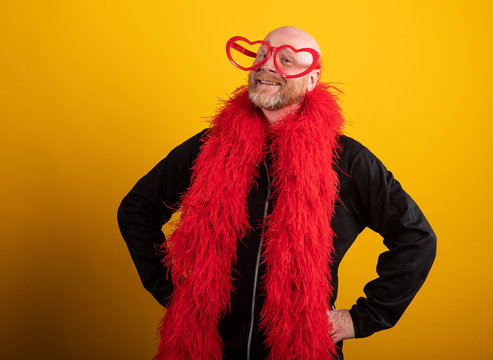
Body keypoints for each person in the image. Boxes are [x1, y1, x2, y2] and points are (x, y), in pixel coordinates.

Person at [117, 26, 437, 360]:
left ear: (312, 80)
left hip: (300, 348)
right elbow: (137, 209)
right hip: (206, 347)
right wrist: (172, 291)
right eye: (262, 55)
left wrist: (361, 319)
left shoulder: (346, 159)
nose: (268, 66)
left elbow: (415, 236)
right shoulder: (209, 146)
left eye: (286, 59)